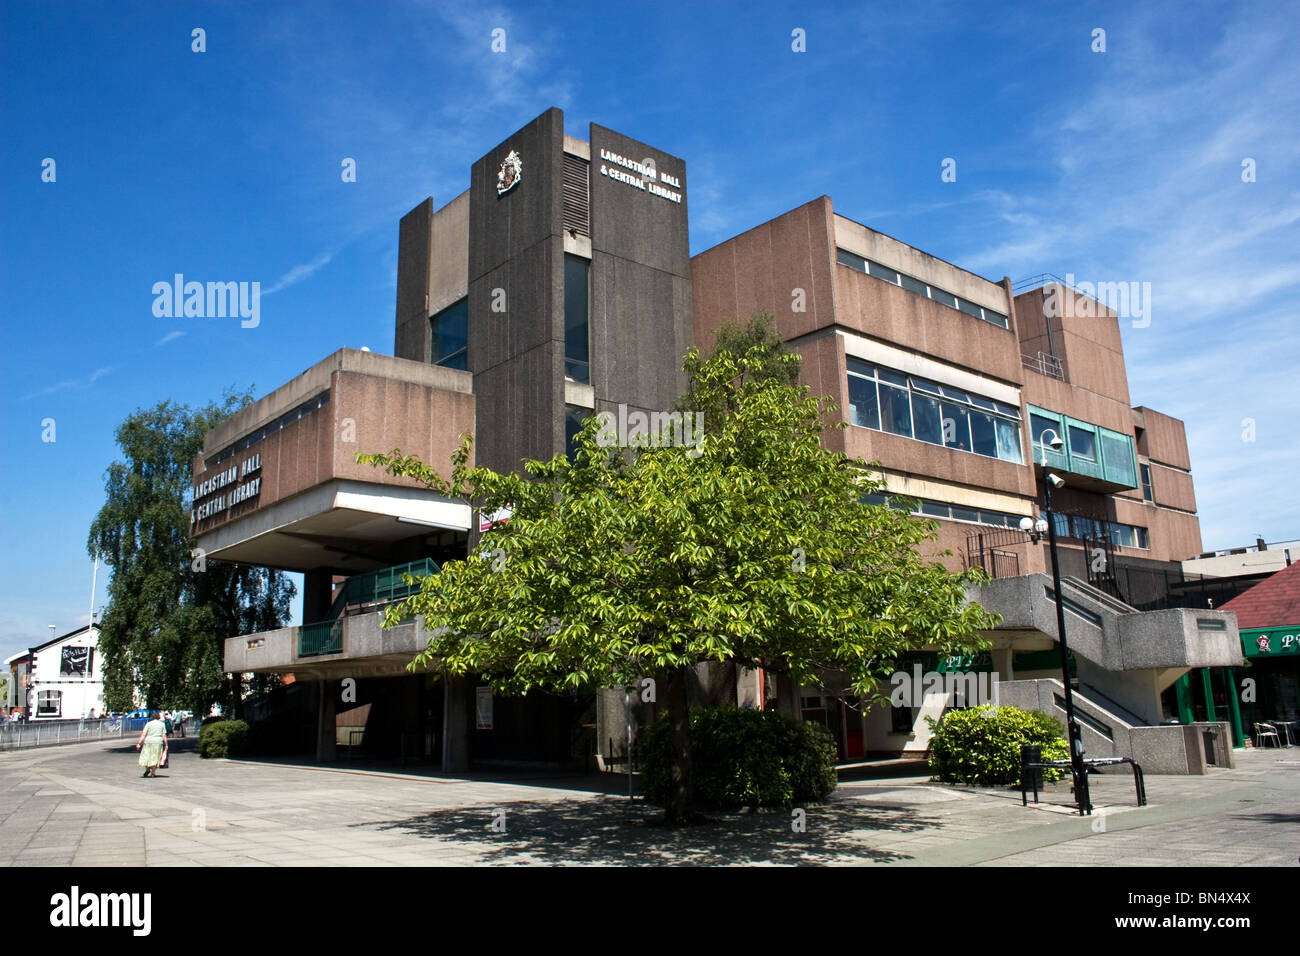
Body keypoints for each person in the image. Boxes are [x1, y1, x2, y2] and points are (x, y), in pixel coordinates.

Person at [135, 710, 168, 778]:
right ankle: (153, 772)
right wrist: (166, 744)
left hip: (148, 741)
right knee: (155, 756)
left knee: (147, 755)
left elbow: (143, 734)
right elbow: (164, 735)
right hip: (158, 742)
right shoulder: (162, 724)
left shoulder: (148, 724)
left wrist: (139, 743)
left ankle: (147, 769)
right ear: (158, 717)